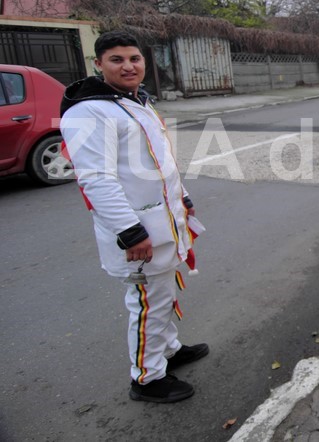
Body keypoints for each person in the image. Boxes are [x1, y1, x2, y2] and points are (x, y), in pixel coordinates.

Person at [60, 30, 208, 403]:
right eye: (117, 59)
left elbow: (160, 164)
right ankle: (146, 378)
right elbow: (96, 180)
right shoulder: (89, 111)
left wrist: (184, 198)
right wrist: (129, 232)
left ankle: (168, 350)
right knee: (148, 303)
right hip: (139, 234)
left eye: (134, 58)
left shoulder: (135, 101)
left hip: (163, 224)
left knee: (163, 293)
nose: (128, 66)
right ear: (98, 64)